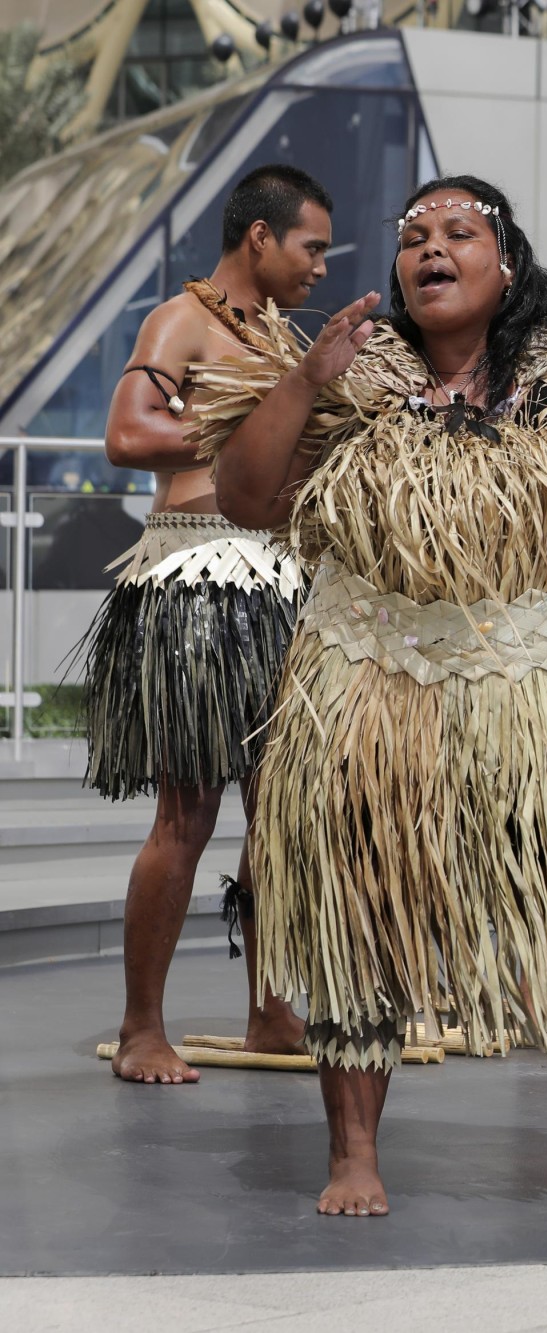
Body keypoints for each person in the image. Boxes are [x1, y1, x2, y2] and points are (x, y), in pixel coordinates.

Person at [195, 176, 547, 1215]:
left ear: (506, 265)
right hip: (370, 681)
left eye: (458, 233)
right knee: (358, 912)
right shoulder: (356, 376)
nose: (429, 248)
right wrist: (306, 377)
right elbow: (246, 498)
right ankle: (354, 1149)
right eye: (412, 237)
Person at [87, 164, 332, 1084]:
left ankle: (271, 1008)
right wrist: (251, 426)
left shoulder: (280, 338)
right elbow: (127, 435)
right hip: (195, 581)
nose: (319, 267)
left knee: (278, 815)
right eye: (311, 247)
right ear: (260, 238)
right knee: (185, 815)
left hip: (279, 587)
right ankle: (144, 1025)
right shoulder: (178, 321)